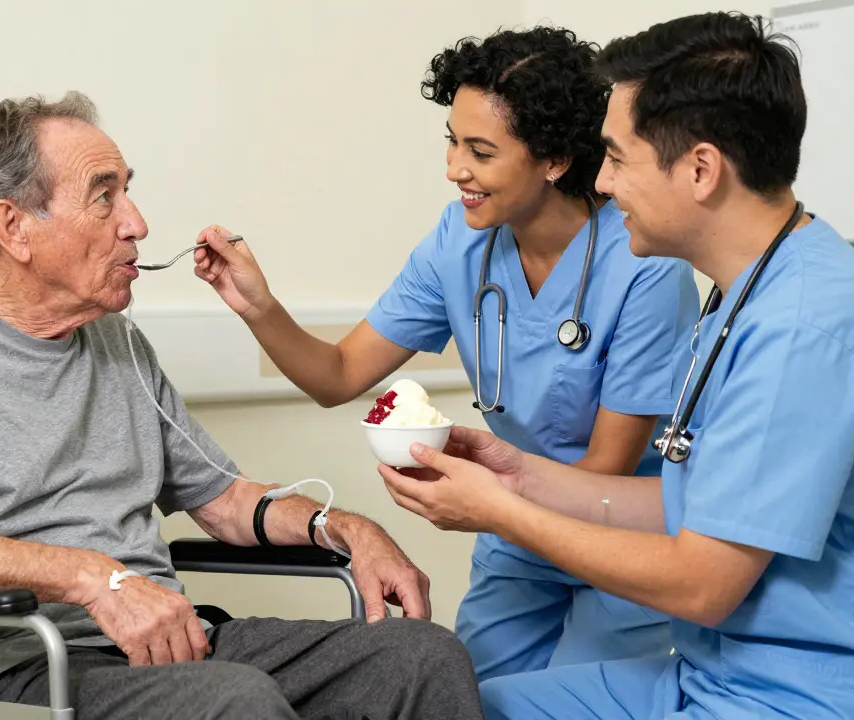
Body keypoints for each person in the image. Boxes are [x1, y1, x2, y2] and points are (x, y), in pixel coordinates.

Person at [0, 90, 484, 720]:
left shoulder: (117, 343)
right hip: (8, 671)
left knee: (420, 658)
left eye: (128, 192)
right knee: (231, 703)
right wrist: (95, 580)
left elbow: (225, 501)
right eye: (104, 197)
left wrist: (345, 529)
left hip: (161, 648)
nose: (136, 224)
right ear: (14, 227)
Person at [378, 11, 854, 719]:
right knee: (453, 704)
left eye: (617, 158)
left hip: (808, 695)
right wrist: (518, 475)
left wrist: (501, 513)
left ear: (701, 169)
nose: (599, 180)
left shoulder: (802, 331)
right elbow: (686, 505)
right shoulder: (746, 291)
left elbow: (702, 583)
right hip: (715, 673)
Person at [192, 26, 699, 680]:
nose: (455, 168)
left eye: (481, 151)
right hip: (517, 538)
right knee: (468, 696)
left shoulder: (642, 263)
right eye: (453, 142)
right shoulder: (458, 241)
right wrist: (258, 306)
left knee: (582, 700)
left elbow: (605, 470)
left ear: (552, 160)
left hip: (620, 537)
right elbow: (337, 374)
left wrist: (485, 501)